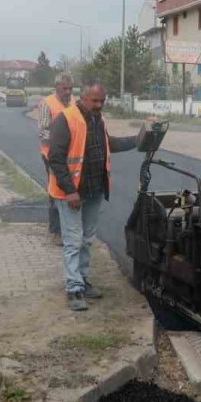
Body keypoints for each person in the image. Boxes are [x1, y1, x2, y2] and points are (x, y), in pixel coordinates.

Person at [46, 81, 143, 311]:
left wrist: (137, 141)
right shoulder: (66, 119)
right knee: (73, 240)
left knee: (87, 239)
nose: (99, 105)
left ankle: (83, 279)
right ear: (82, 98)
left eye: (102, 101)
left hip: (94, 190)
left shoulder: (98, 119)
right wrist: (70, 191)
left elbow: (108, 144)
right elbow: (55, 158)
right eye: (95, 101)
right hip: (71, 193)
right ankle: (73, 289)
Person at [38, 73, 74, 242]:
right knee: (55, 191)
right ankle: (56, 231)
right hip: (51, 154)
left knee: (70, 189)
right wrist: (61, 141)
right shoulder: (48, 103)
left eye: (70, 88)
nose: (68, 92)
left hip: (72, 155)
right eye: (64, 88)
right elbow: (43, 131)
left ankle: (69, 227)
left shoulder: (74, 103)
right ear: (57, 87)